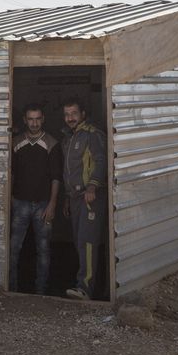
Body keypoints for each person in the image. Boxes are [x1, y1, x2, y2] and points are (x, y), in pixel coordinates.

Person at [9, 103, 61, 294]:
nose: (34, 123)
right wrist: (9, 200)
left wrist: (53, 204)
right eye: (30, 119)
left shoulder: (52, 143)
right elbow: (11, 174)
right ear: (25, 120)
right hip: (19, 203)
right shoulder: (16, 142)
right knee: (13, 249)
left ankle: (41, 291)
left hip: (43, 205)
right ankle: (11, 288)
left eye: (38, 118)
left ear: (43, 119)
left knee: (44, 250)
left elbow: (56, 177)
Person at [61, 97, 106, 300]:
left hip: (90, 197)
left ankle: (85, 288)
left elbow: (101, 160)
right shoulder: (68, 138)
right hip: (75, 198)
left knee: (87, 241)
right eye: (67, 114)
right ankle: (83, 284)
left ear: (83, 114)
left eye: (74, 114)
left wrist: (92, 185)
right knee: (80, 242)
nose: (70, 118)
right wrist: (66, 198)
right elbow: (69, 172)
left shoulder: (92, 135)